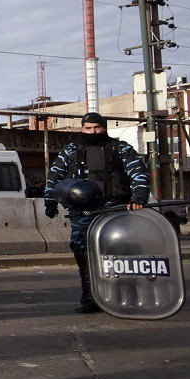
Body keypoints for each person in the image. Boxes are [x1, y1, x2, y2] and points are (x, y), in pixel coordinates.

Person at [43, 111, 149, 314]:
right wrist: (50, 201)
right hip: (82, 211)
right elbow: (54, 176)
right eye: (88, 128)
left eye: (97, 128)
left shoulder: (121, 149)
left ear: (104, 127)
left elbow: (138, 172)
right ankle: (91, 298)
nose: (92, 132)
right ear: (82, 129)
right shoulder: (71, 151)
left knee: (119, 252)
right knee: (83, 252)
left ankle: (125, 296)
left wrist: (139, 197)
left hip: (114, 208)